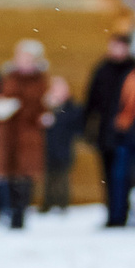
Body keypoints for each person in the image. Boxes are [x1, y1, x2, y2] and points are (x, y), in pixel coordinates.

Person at [0, 39, 50, 230]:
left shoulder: (41, 80)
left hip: (29, 133)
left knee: (25, 175)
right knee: (9, 174)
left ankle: (20, 213)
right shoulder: (8, 77)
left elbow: (43, 104)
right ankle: (10, 211)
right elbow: (2, 96)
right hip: (8, 132)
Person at [83, 34, 135, 227]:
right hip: (106, 133)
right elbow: (92, 101)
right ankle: (112, 214)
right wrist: (88, 128)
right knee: (108, 177)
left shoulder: (134, 70)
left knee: (125, 177)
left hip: (128, 134)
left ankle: (123, 213)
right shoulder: (102, 69)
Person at [40, 76, 85, 213]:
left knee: (62, 177)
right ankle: (47, 203)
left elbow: (75, 124)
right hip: (48, 148)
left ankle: (62, 204)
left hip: (64, 147)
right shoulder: (46, 107)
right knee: (48, 178)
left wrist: (56, 117)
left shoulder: (72, 107)